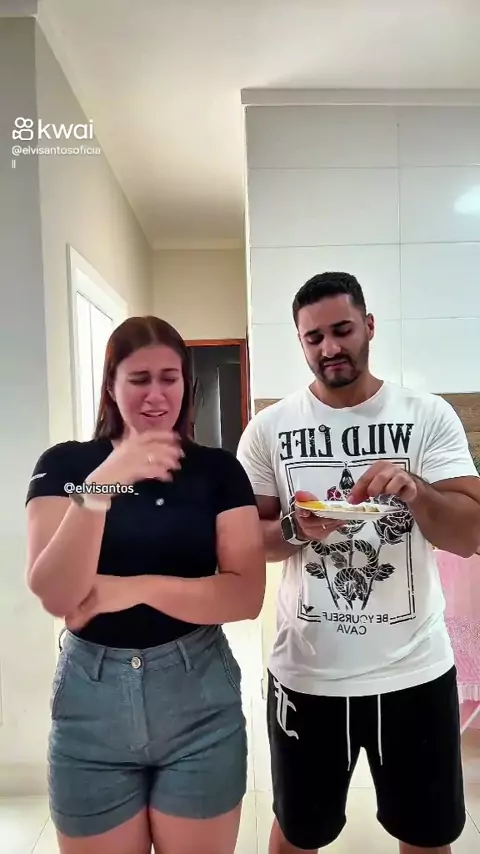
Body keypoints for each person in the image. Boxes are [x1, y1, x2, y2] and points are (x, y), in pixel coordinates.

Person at [236, 272, 480, 854]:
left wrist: (417, 491)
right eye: (313, 337)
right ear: (301, 342)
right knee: (298, 833)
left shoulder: (427, 415)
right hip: (307, 674)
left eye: (342, 330)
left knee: (428, 836)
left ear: (369, 326)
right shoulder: (269, 429)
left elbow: (470, 533)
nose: (330, 347)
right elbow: (247, 541)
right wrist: (294, 528)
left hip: (415, 673)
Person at [25, 315, 266, 854]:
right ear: (111, 385)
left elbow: (245, 596)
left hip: (199, 695)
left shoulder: (218, 471)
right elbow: (57, 594)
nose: (156, 395)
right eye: (139, 379)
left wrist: (127, 589)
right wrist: (102, 485)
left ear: (186, 384)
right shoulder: (66, 465)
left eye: (169, 378)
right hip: (91, 703)